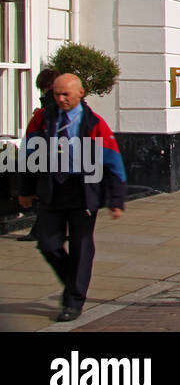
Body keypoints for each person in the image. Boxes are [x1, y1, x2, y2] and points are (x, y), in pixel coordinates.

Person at [17, 73, 127, 322]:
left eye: (66, 94)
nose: (61, 99)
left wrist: (116, 200)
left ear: (80, 93)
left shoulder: (94, 123)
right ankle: (74, 281)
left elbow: (113, 161)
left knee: (81, 247)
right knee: (48, 244)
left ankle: (74, 301)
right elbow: (29, 155)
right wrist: (25, 190)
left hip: (82, 191)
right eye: (56, 94)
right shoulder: (42, 119)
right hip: (52, 188)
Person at [17, 68, 60, 241]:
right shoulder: (74, 106)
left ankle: (40, 232)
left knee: (46, 196)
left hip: (46, 156)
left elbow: (31, 145)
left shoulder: (45, 110)